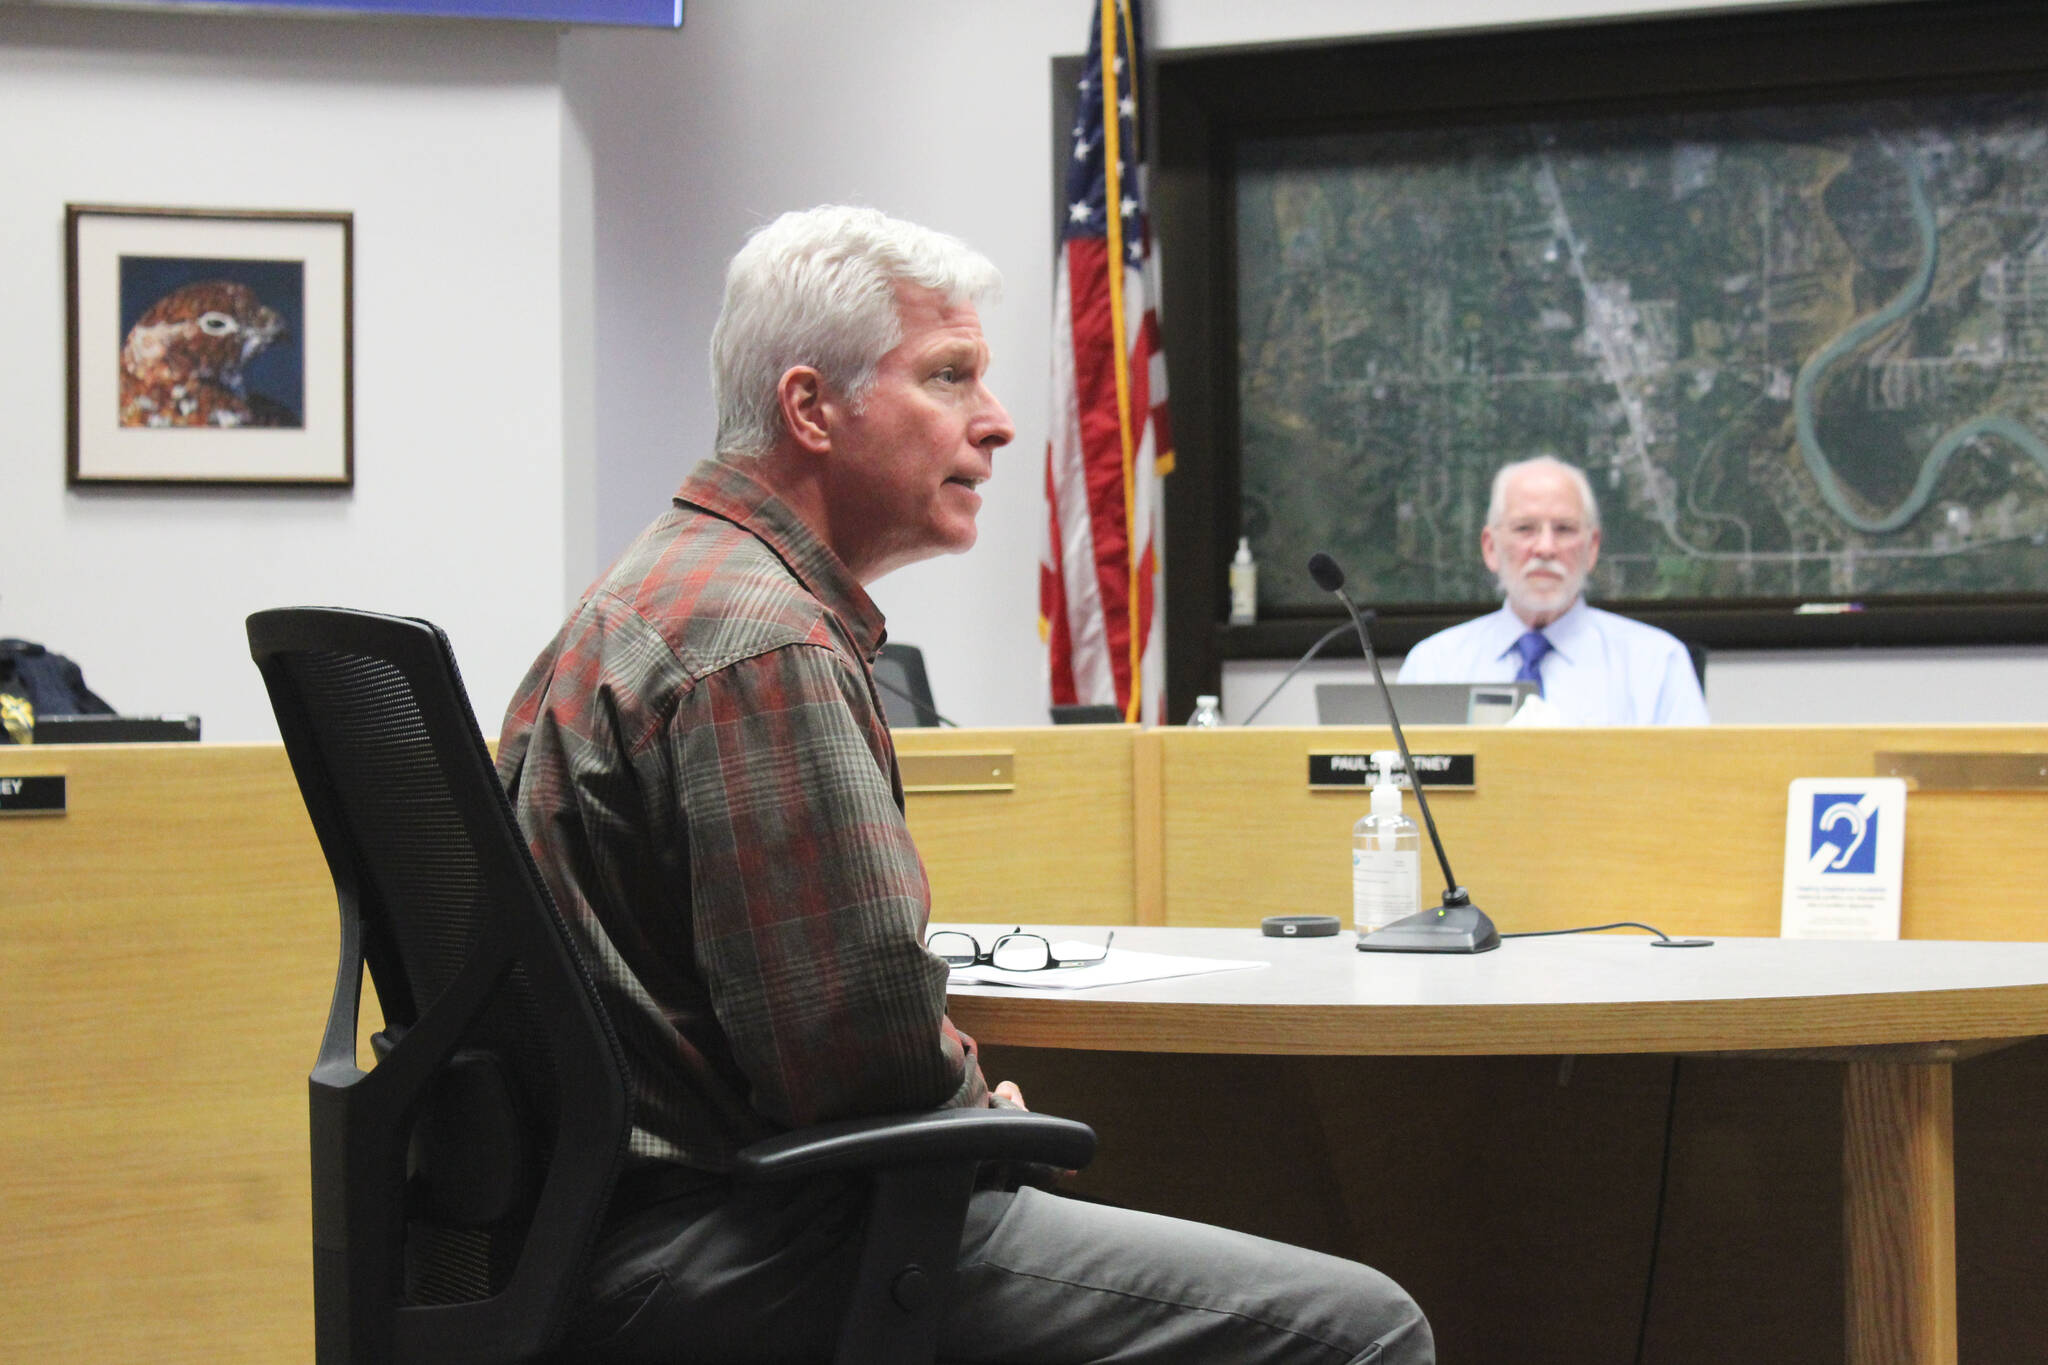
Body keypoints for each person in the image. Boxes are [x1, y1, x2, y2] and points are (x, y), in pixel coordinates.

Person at [498, 205, 1433, 1365]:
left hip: (605, 1232)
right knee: (1362, 1332)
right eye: (949, 378)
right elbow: (853, 1054)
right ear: (810, 409)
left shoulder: (677, 584)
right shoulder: (761, 643)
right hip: (722, 1245)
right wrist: (979, 1121)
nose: (994, 426)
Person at [1398, 456, 1709, 725]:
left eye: (1564, 529)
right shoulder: (1433, 665)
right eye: (1525, 529)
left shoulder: (1655, 662)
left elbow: (1694, 785)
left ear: (1592, 548)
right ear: (1490, 548)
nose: (1545, 548)